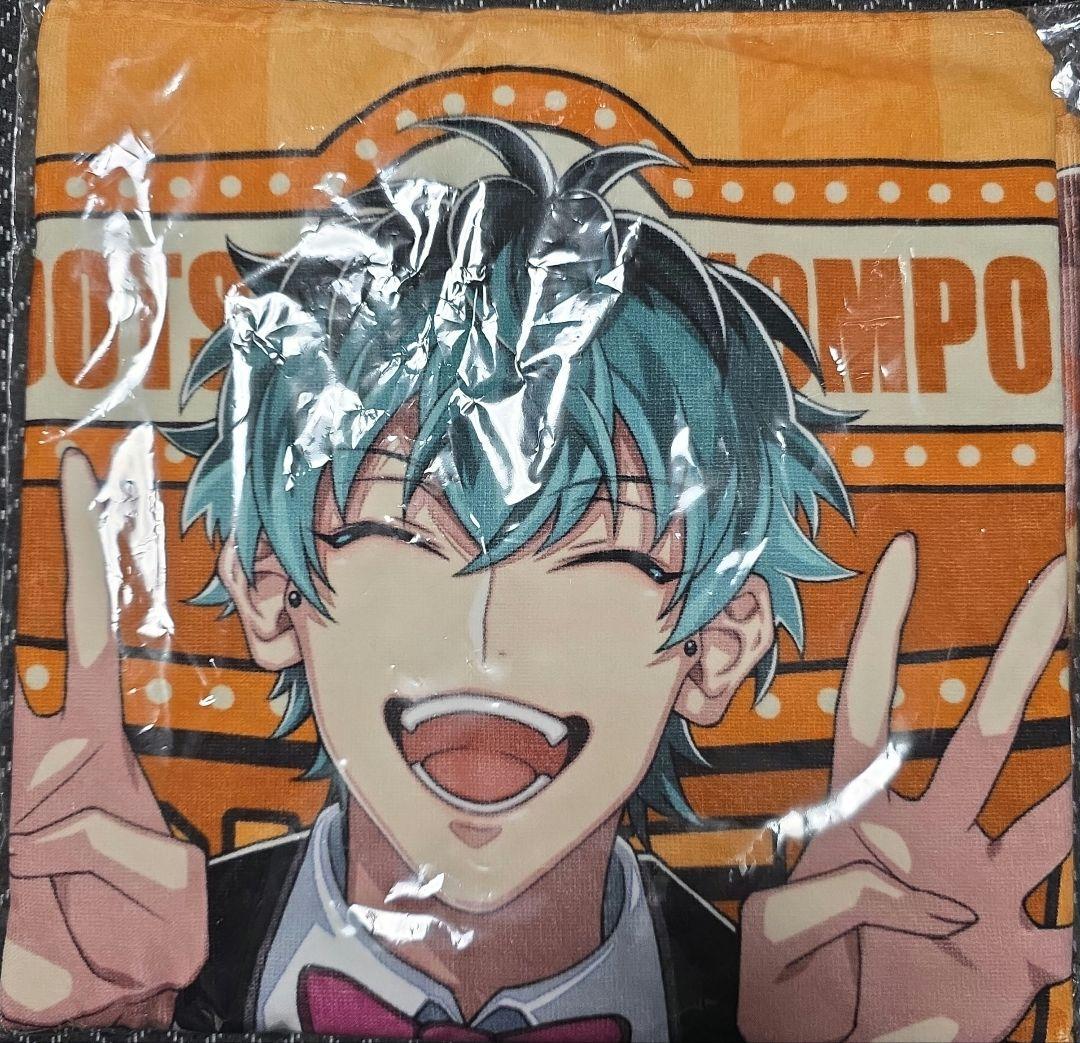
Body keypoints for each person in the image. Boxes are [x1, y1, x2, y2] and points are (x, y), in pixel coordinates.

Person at [2, 118, 1070, 1042]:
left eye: (596, 554)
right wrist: (81, 1019)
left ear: (720, 642)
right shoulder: (132, 952)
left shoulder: (803, 1002)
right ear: (272, 587)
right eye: (401, 534)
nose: (488, 638)